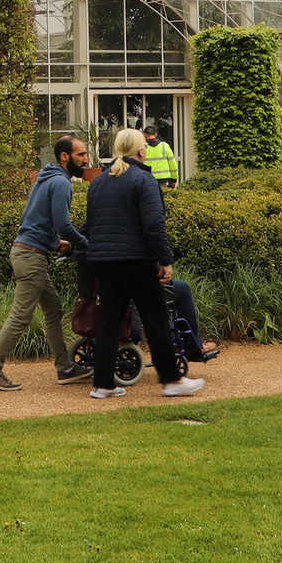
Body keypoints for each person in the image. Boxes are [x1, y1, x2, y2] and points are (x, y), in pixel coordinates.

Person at [82, 127, 203, 399]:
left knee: (110, 321)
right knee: (156, 318)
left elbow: (91, 224)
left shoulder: (99, 182)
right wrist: (165, 260)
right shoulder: (143, 180)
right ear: (140, 150)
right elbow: (154, 225)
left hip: (104, 261)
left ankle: (102, 384)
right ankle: (171, 379)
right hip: (136, 260)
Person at [0, 135, 93, 391]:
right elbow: (62, 223)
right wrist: (86, 244)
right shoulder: (62, 183)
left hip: (27, 251)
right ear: (65, 156)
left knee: (52, 309)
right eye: (80, 155)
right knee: (21, 315)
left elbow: (35, 219)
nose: (86, 159)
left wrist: (56, 243)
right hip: (31, 258)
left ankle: (64, 367)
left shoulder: (45, 178)